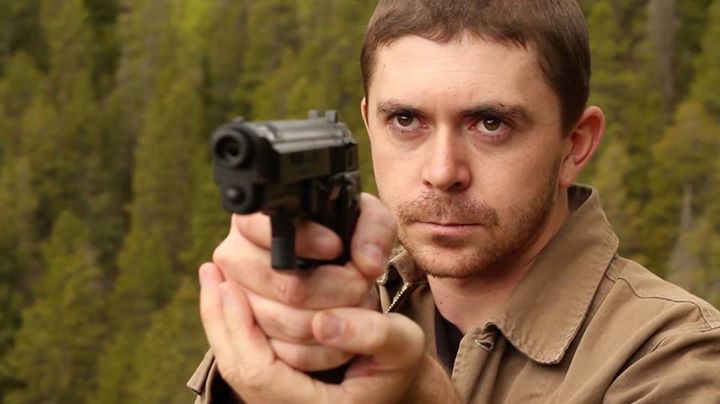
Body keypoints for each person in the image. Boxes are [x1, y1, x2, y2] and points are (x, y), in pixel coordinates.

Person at [189, 0, 720, 402]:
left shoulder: (675, 357)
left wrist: (418, 394)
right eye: (406, 120)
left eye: (490, 124)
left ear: (575, 144)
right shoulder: (338, 304)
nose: (442, 173)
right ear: (370, 123)